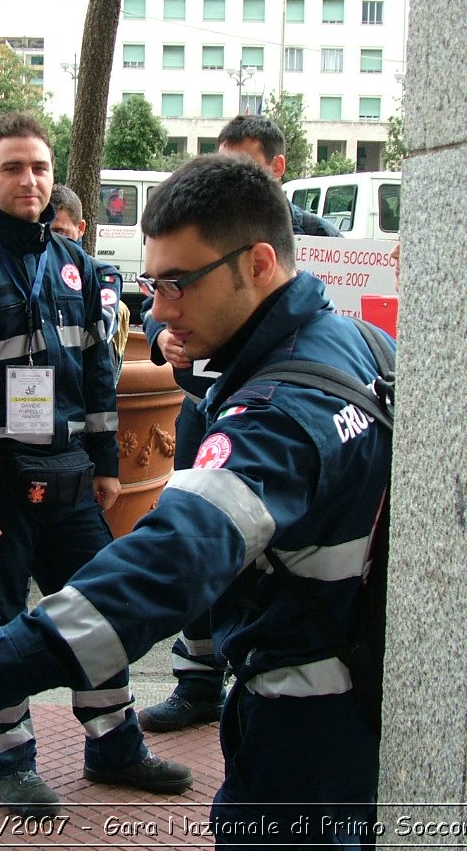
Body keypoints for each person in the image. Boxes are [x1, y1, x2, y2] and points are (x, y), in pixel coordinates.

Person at [0, 153, 393, 846]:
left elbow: (172, 558)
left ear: (257, 264)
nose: (158, 310)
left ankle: (109, 740)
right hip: (359, 710)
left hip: (300, 728)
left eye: (177, 284)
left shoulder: (278, 414)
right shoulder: (361, 343)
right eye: (151, 284)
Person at [0, 112, 191, 817]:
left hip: (67, 476)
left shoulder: (79, 268)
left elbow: (98, 377)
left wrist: (104, 465)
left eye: (39, 167)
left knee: (100, 611)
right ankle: (9, 764)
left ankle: (114, 746)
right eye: (12, 167)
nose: (29, 179)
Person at [138, 112, 343, 733]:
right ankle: (198, 675)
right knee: (204, 532)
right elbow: (157, 320)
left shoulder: (314, 242)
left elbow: (167, 562)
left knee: (232, 543)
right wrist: (163, 343)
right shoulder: (192, 245)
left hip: (267, 419)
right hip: (205, 414)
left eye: (242, 166)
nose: (226, 178)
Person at [49, 183, 130, 380]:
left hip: (88, 379)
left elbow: (102, 329)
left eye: (60, 232)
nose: (52, 241)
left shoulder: (102, 274)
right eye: (45, 231)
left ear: (81, 228)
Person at [217, 113, 341, 237]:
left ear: (277, 166)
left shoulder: (321, 234)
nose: (230, 179)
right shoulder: (207, 231)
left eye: (243, 168)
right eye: (222, 167)